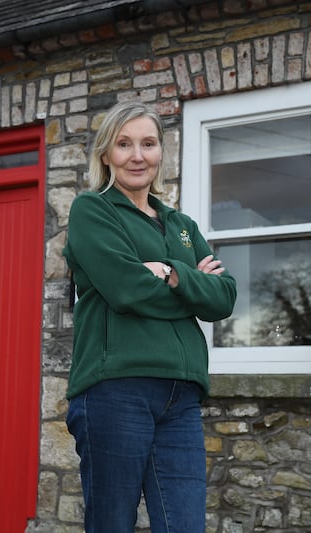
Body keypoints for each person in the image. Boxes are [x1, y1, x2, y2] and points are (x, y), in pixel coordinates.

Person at [63, 100, 237, 533]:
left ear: (162, 152)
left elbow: (224, 298)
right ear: (106, 154)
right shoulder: (92, 210)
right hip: (116, 390)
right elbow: (126, 289)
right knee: (112, 524)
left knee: (185, 526)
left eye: (148, 143)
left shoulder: (181, 225)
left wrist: (170, 273)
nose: (137, 155)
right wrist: (191, 284)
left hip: (181, 396)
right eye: (124, 144)